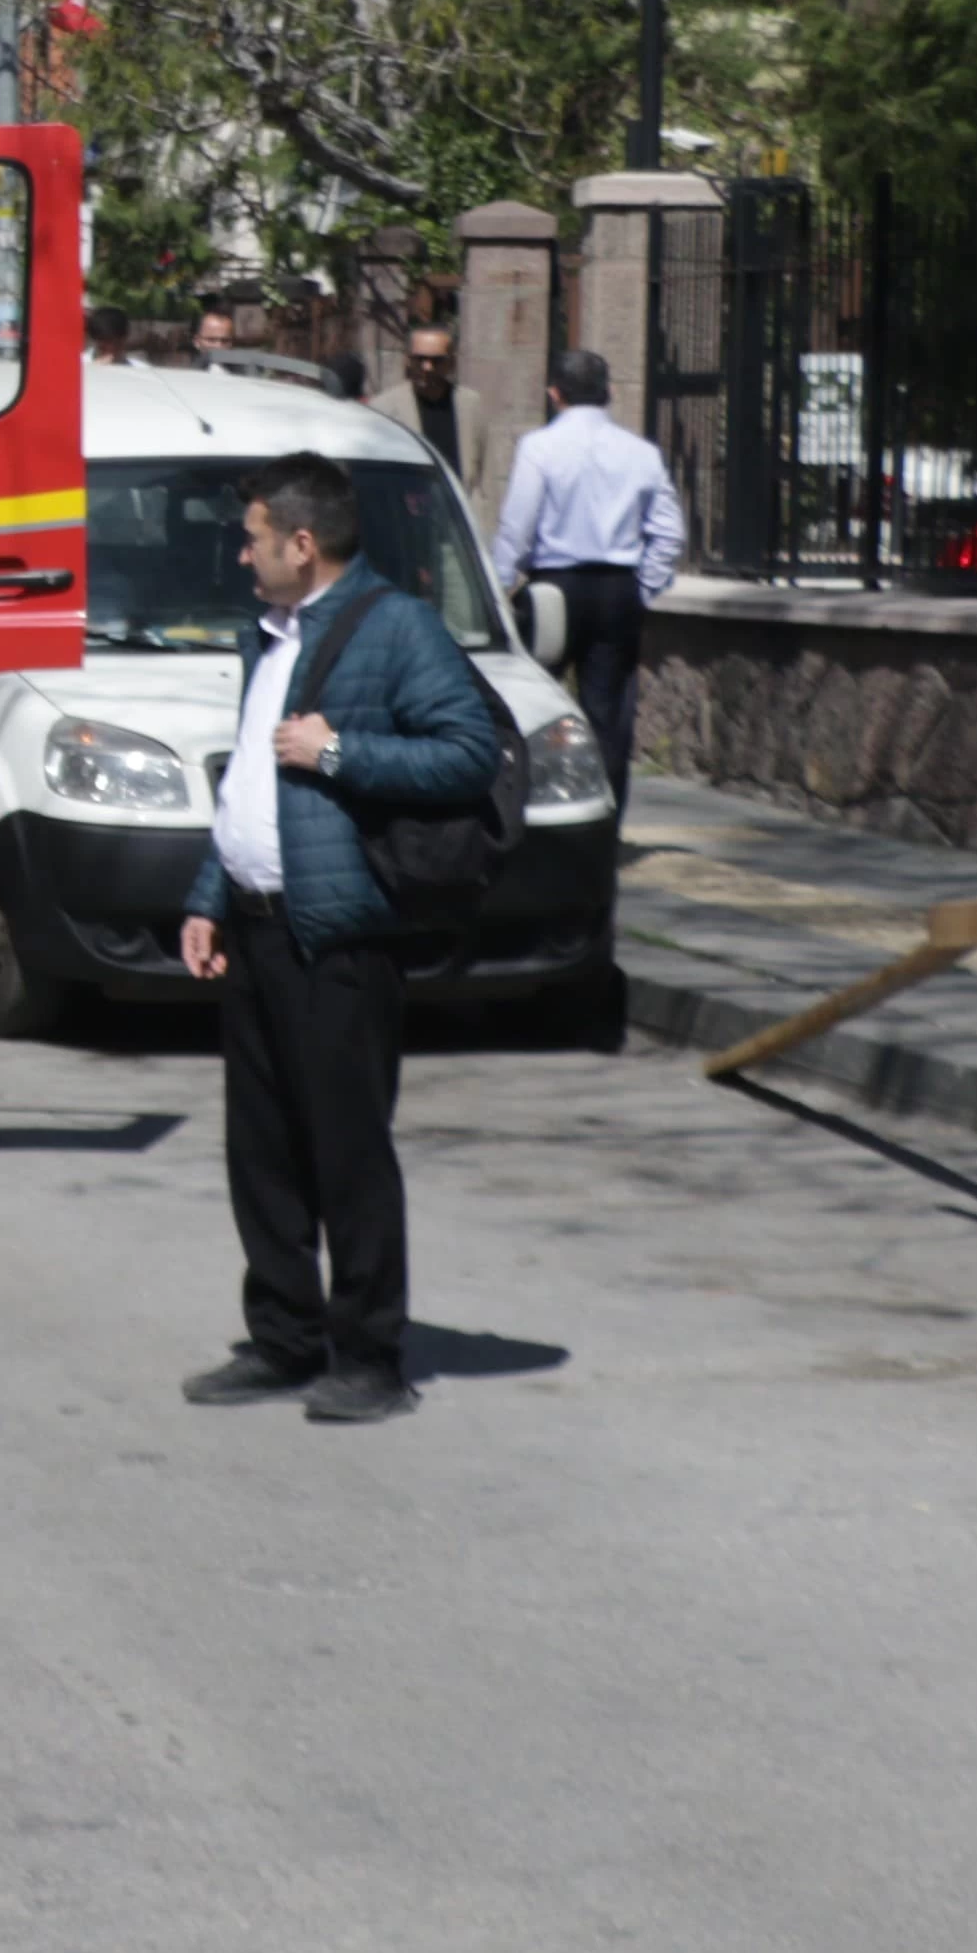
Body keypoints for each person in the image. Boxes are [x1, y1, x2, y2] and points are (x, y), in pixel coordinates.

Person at [178, 451, 505, 1425]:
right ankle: (283, 1337)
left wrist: (343, 751)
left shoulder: (397, 627)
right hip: (257, 930)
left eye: (253, 538)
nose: (243, 556)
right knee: (264, 1152)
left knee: (347, 1154)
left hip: (340, 940)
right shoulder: (270, 637)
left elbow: (468, 753)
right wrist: (208, 895)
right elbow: (246, 781)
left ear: (301, 542)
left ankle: (368, 1355)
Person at [493, 344, 682, 812]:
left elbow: (517, 526)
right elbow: (670, 532)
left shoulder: (538, 447)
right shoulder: (641, 453)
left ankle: (533, 810)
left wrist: (497, 586)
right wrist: (643, 587)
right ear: (610, 393)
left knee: (534, 701)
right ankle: (605, 821)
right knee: (609, 714)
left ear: (554, 394)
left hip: (554, 589)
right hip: (618, 589)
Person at [404, 323, 464, 478]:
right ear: (408, 360)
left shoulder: (470, 404)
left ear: (452, 362)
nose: (427, 367)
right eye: (420, 359)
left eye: (436, 360)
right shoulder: (385, 407)